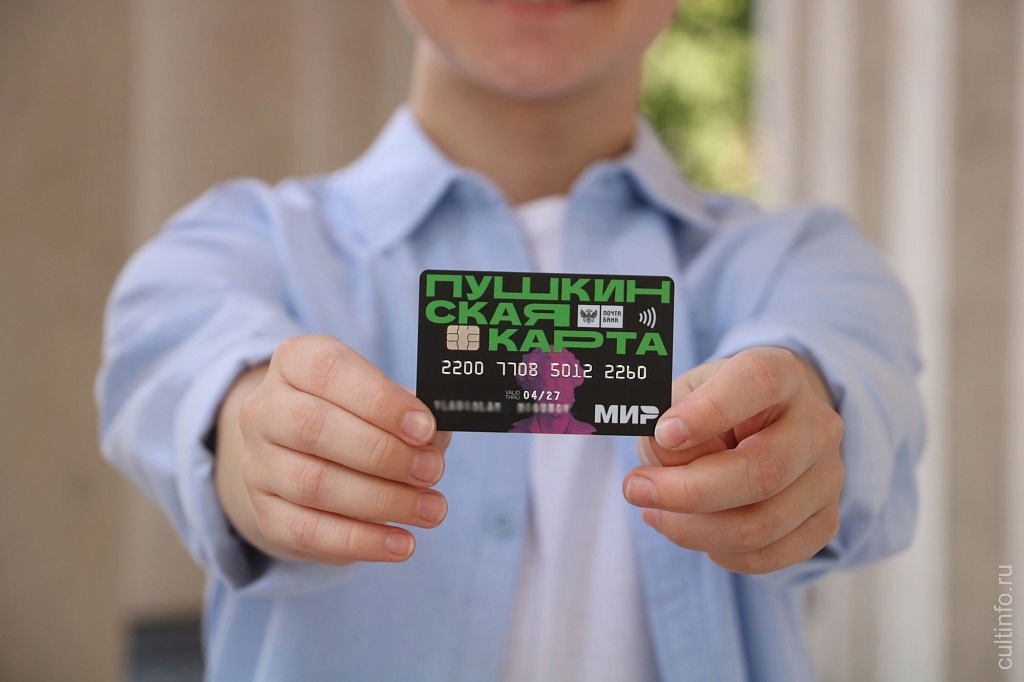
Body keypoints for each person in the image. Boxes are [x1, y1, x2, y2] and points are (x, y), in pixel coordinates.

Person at [96, 1, 925, 680]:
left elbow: (853, 379)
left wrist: (803, 434)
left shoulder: (810, 262)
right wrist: (257, 440)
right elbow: (183, 365)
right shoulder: (230, 249)